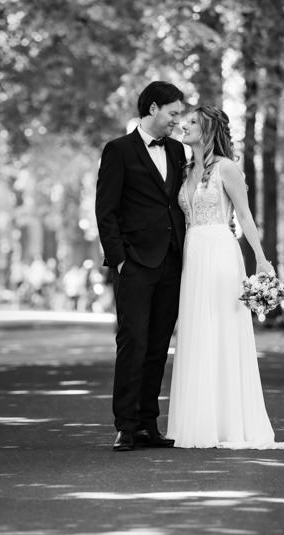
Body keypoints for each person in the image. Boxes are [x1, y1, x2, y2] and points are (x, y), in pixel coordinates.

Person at [166, 105, 284, 450]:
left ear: (210, 130)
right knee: (197, 331)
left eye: (194, 122)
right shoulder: (184, 170)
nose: (185, 125)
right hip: (193, 255)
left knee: (221, 331)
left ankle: (229, 422)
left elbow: (244, 215)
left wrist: (261, 259)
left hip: (220, 254)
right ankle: (198, 422)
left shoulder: (226, 168)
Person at [95, 81, 187, 451]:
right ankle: (126, 425)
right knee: (132, 342)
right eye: (173, 113)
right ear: (152, 109)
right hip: (134, 262)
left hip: (172, 261)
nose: (177, 122)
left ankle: (149, 423)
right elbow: (106, 211)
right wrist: (119, 260)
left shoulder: (179, 151)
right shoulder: (118, 151)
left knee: (159, 345)